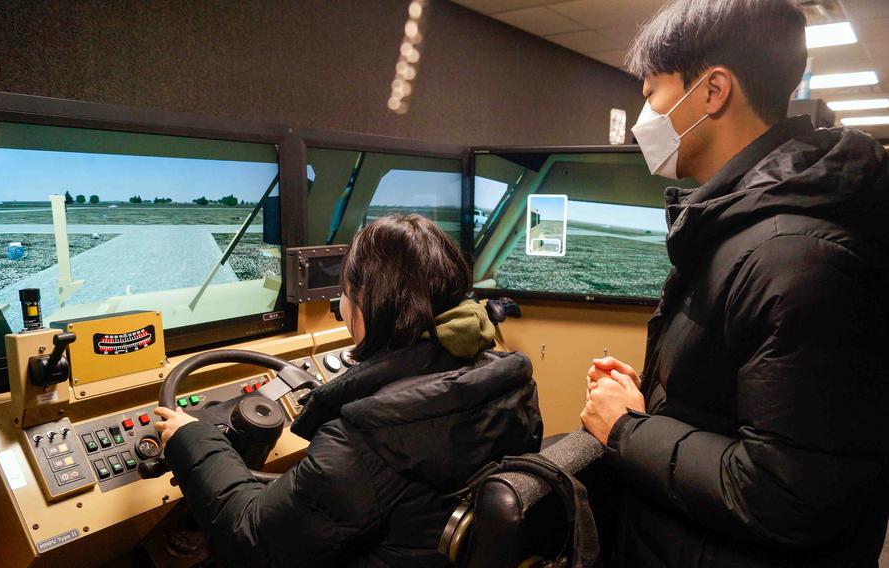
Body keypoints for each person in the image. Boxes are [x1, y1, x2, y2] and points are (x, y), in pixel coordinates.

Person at [579, 1, 889, 566]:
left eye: (651, 93)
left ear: (713, 91)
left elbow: (785, 493)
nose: (643, 115)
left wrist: (625, 429)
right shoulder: (741, 228)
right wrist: (650, 401)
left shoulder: (794, 258)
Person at [154, 213, 543, 567]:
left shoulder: (368, 437)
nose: (341, 308)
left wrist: (194, 439)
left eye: (345, 293)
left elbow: (253, 536)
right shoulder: (507, 377)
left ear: (369, 304)